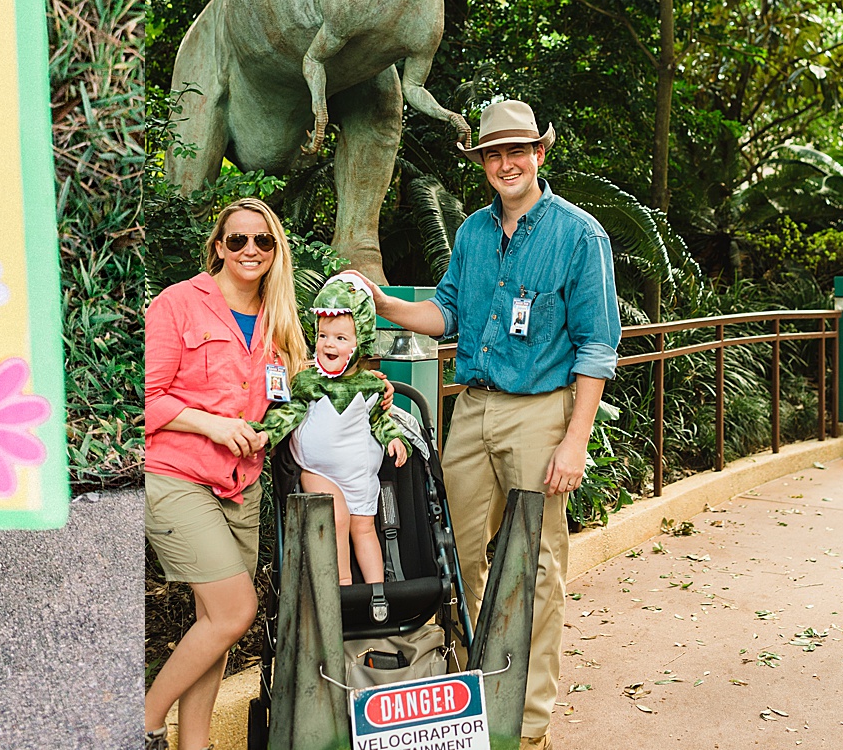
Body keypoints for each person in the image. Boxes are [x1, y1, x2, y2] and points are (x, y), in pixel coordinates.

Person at [370, 100, 620, 750]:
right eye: (493, 154)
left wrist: (575, 439)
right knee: (455, 552)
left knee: (536, 565)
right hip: (471, 407)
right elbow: (447, 312)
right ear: (481, 163)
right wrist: (383, 304)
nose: (506, 163)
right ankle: (481, 693)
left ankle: (528, 725)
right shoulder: (475, 234)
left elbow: (597, 346)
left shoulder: (579, 234)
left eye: (518, 150)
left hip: (540, 411)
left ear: (540, 153)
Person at [143, 199, 310, 750]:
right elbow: (143, 398)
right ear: (218, 245)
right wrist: (212, 426)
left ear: (275, 249)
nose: (250, 250)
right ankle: (142, 720)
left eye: (262, 241)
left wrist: (370, 393)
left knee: (214, 623)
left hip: (242, 486)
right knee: (236, 612)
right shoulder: (177, 305)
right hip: (180, 476)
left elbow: (305, 390)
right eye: (237, 240)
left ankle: (194, 745)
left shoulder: (280, 317)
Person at [259, 272, 409, 585]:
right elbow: (290, 412)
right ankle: (342, 588)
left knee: (364, 529)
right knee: (337, 516)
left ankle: (377, 592)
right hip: (317, 470)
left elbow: (379, 419)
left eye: (341, 339)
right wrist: (266, 433)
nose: (329, 344)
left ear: (360, 343)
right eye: (324, 336)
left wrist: (394, 438)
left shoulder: (371, 386)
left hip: (357, 475)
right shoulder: (308, 382)